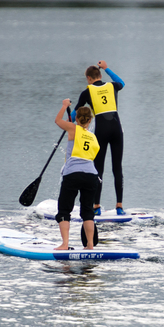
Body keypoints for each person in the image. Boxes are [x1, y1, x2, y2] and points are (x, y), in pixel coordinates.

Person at [73, 60, 126, 216]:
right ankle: (119, 206)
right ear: (100, 75)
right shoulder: (112, 86)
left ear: (89, 78)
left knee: (98, 169)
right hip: (117, 130)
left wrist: (66, 117)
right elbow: (121, 82)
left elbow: (76, 113)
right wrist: (107, 67)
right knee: (117, 168)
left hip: (101, 132)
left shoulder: (87, 92)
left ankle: (96, 206)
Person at [53, 99, 100, 251]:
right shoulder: (93, 137)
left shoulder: (73, 128)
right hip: (92, 176)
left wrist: (65, 106)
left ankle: (65, 244)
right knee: (87, 212)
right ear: (90, 120)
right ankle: (90, 245)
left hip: (73, 174)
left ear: (77, 119)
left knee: (64, 210)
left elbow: (58, 121)